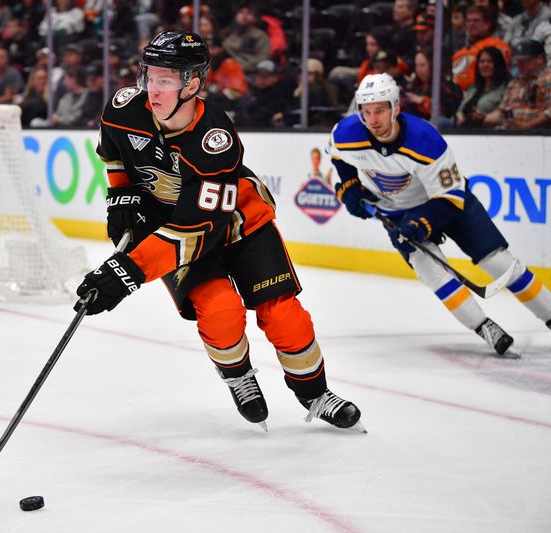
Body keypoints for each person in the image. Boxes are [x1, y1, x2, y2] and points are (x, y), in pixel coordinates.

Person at [74, 30, 364, 432]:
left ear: (192, 84)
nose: (151, 90)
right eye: (149, 75)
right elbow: (113, 154)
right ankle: (238, 376)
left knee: (285, 317)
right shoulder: (124, 110)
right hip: (170, 229)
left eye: (165, 80)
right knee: (222, 313)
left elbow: (197, 228)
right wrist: (121, 197)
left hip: (237, 225)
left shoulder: (215, 139)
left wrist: (128, 272)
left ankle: (315, 393)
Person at [329, 73, 551, 357]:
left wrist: (421, 223)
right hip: (395, 212)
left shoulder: (426, 140)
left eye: (381, 110)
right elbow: (338, 157)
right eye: (367, 112)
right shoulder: (346, 133)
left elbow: (450, 197)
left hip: (448, 203)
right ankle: (484, 327)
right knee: (433, 272)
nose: (373, 119)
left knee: (498, 262)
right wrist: (349, 186)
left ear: (396, 108)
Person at [482, 38, 551, 129]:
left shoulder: (548, 77)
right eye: (518, 60)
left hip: (539, 136)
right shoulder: (515, 82)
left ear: (540, 59)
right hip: (509, 133)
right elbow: (502, 111)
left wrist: (526, 126)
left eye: (524, 60)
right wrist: (481, 118)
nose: (519, 64)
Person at [455, 46, 511, 127]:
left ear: (498, 64)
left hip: (488, 131)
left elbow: (502, 113)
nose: (485, 65)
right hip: (463, 128)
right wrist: (460, 117)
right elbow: (460, 110)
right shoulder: (473, 88)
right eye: (482, 62)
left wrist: (482, 117)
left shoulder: (506, 87)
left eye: (489, 61)